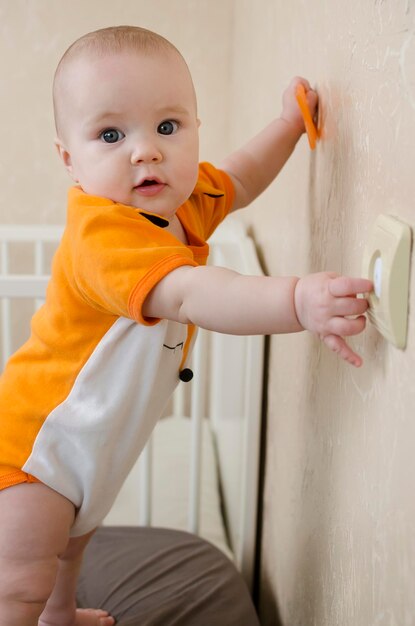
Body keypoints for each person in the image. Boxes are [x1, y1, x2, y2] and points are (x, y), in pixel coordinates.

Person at [0, 25, 373, 626]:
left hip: (91, 445)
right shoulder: (102, 236)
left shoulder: (182, 198)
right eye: (110, 134)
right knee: (19, 581)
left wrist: (288, 125)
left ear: (195, 129)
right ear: (70, 159)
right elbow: (197, 292)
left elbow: (242, 178)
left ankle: (59, 617)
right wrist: (298, 300)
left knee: (70, 548)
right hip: (32, 446)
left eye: (167, 128)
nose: (144, 150)